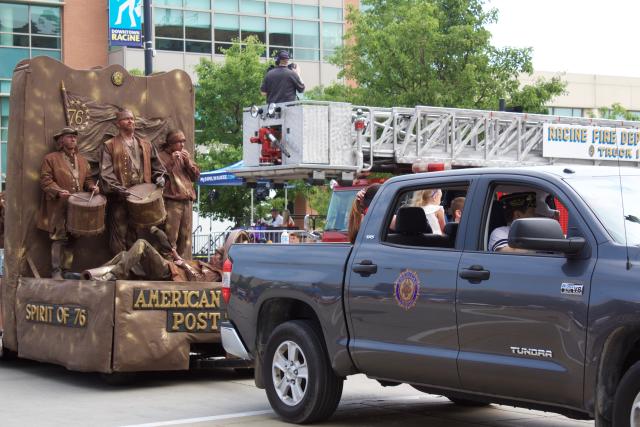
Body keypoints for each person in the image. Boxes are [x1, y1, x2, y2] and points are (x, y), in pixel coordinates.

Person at [100, 109, 166, 255]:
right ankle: (118, 270)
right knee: (119, 234)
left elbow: (158, 168)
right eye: (126, 119)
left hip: (142, 198)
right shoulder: (109, 145)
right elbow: (106, 173)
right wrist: (118, 189)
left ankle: (131, 270)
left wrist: (160, 178)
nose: (130, 121)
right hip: (120, 197)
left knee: (134, 233)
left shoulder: (146, 145)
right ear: (118, 124)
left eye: (132, 119)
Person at [37, 127, 99, 279]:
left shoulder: (83, 161)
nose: (73, 139)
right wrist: (58, 191)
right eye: (69, 137)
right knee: (59, 238)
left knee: (73, 238)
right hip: (59, 206)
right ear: (61, 140)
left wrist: (92, 186)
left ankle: (66, 270)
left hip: (77, 207)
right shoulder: (51, 158)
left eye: (75, 137)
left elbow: (89, 179)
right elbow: (45, 180)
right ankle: (56, 271)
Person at [82, 226, 221, 282]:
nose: (214, 256)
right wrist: (178, 257)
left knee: (142, 244)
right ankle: (92, 274)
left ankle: (111, 275)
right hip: (171, 267)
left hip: (169, 273)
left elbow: (197, 281)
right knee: (125, 255)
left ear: (222, 261)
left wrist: (183, 264)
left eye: (217, 255)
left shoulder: (214, 274)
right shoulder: (205, 265)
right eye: (215, 253)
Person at [158, 129, 200, 258]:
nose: (182, 144)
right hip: (172, 201)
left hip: (186, 200)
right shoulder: (161, 156)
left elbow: (196, 176)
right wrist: (171, 161)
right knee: (171, 236)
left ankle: (179, 263)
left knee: (184, 237)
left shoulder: (184, 155)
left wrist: (188, 162)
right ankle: (168, 264)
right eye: (179, 142)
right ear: (170, 144)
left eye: (183, 141)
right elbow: (158, 177)